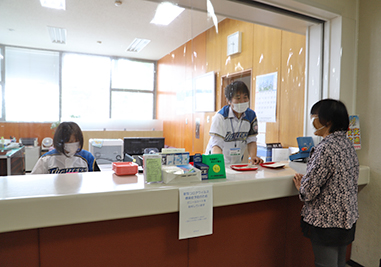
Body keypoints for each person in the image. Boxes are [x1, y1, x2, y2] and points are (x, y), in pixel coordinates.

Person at [293, 99, 359, 267]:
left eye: (315, 116)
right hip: (346, 219)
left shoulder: (325, 148)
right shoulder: (347, 143)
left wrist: (301, 187)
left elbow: (309, 191)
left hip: (327, 222)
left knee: (325, 264)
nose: (313, 121)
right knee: (339, 263)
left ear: (327, 121)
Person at [205, 81, 263, 165]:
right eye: (238, 98)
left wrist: (253, 156)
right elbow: (216, 145)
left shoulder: (251, 116)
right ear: (229, 101)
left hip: (237, 163)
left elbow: (251, 140)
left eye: (245, 97)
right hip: (216, 161)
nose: (242, 101)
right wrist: (218, 165)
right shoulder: (220, 117)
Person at [32, 121, 100, 174]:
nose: (73, 144)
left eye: (76, 141)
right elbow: (34, 181)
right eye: (69, 142)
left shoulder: (87, 157)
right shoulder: (46, 159)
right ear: (60, 141)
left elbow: (97, 180)